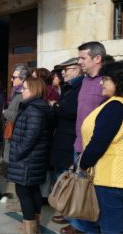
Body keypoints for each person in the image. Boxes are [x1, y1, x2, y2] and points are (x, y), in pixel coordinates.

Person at [61, 41, 107, 234]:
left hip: (98, 151)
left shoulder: (107, 82)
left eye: (82, 58)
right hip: (78, 145)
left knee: (96, 197)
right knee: (80, 193)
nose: (79, 62)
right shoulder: (84, 81)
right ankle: (80, 226)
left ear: (97, 59)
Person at [79, 61, 123, 234]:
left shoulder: (115, 107)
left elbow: (98, 144)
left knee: (111, 228)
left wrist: (83, 164)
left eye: (105, 78)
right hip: (114, 177)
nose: (101, 82)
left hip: (110, 179)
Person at [8, 77, 52, 234]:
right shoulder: (35, 107)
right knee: (33, 191)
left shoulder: (33, 110)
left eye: (25, 88)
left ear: (34, 90)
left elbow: (30, 137)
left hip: (28, 160)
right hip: (33, 159)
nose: (21, 90)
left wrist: (18, 152)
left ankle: (29, 229)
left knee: (24, 192)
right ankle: (34, 225)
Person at [50, 58, 83, 225]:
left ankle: (71, 217)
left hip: (69, 138)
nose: (63, 72)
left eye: (66, 69)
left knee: (67, 177)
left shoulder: (78, 88)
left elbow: (71, 111)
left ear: (76, 70)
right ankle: (65, 212)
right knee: (61, 176)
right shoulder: (69, 87)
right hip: (62, 137)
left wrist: (55, 106)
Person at [3, 64, 31, 212]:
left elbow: (18, 116)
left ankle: (18, 203)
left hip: (17, 135)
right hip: (12, 133)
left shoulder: (23, 96)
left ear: (23, 79)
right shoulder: (16, 92)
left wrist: (5, 112)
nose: (11, 80)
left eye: (14, 77)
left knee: (16, 169)